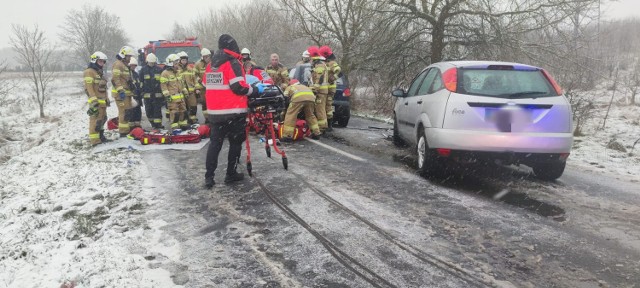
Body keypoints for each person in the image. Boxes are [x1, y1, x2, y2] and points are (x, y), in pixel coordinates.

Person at [203, 34, 264, 188]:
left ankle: (209, 177)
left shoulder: (211, 65)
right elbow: (239, 87)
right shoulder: (233, 63)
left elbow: (205, 84)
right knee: (235, 144)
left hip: (215, 114)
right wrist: (255, 89)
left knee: (214, 145)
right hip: (233, 113)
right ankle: (231, 173)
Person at [84, 51, 109, 145]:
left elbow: (103, 88)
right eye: (100, 61)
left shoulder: (99, 72)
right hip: (96, 102)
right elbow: (89, 88)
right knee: (95, 121)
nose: (102, 63)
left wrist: (107, 99)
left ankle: (101, 136)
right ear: (94, 61)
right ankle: (95, 140)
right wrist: (94, 101)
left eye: (103, 62)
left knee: (102, 119)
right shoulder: (89, 72)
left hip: (102, 101)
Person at [111, 46, 136, 136]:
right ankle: (123, 132)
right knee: (123, 112)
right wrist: (120, 90)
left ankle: (126, 130)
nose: (130, 58)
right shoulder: (118, 64)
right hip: (121, 94)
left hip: (127, 93)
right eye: (129, 56)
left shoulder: (125, 65)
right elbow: (115, 79)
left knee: (127, 112)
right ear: (123, 55)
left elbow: (125, 79)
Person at [160, 54, 188, 132]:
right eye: (175, 63)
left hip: (181, 97)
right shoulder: (165, 73)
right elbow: (163, 86)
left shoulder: (178, 72)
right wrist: (167, 96)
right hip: (172, 98)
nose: (177, 65)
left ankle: (183, 125)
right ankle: (175, 128)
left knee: (183, 112)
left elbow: (181, 84)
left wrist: (185, 91)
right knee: (175, 114)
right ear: (170, 63)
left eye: (177, 63)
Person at [307, 46, 329, 132]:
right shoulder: (316, 64)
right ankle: (320, 127)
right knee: (319, 109)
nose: (308, 57)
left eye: (309, 55)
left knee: (320, 110)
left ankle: (322, 128)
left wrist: (315, 89)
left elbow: (319, 78)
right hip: (320, 91)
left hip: (320, 91)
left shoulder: (319, 64)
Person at [139, 53, 164, 129]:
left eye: (153, 63)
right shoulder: (143, 70)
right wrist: (141, 91)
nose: (152, 64)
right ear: (147, 61)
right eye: (150, 62)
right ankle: (153, 124)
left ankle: (158, 125)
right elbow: (141, 82)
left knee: (157, 111)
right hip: (147, 95)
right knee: (149, 111)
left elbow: (162, 82)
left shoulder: (159, 69)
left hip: (157, 95)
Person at [320, 45, 341, 131]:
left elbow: (339, 70)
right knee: (324, 106)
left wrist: (333, 78)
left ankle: (329, 125)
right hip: (326, 88)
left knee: (328, 106)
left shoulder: (331, 62)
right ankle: (326, 124)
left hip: (330, 88)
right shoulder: (326, 62)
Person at [177, 51, 198, 124]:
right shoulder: (177, 70)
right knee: (183, 107)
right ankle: (184, 120)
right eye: (183, 60)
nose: (184, 62)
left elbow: (195, 79)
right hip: (181, 92)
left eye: (185, 60)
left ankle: (193, 119)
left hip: (191, 92)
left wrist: (197, 88)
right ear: (179, 60)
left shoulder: (190, 69)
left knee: (193, 106)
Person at [195, 48, 211, 123]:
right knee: (204, 103)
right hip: (202, 87)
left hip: (211, 87)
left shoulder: (213, 63)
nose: (206, 58)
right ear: (202, 57)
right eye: (205, 57)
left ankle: (212, 117)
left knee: (212, 102)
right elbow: (194, 75)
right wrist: (199, 81)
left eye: (207, 56)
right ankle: (207, 118)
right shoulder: (198, 64)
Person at [127, 58, 143, 130]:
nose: (133, 67)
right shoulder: (127, 74)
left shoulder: (136, 74)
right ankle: (131, 128)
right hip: (132, 97)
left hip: (137, 96)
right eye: (132, 65)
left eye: (135, 66)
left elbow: (138, 85)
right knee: (131, 113)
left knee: (138, 113)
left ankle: (137, 127)